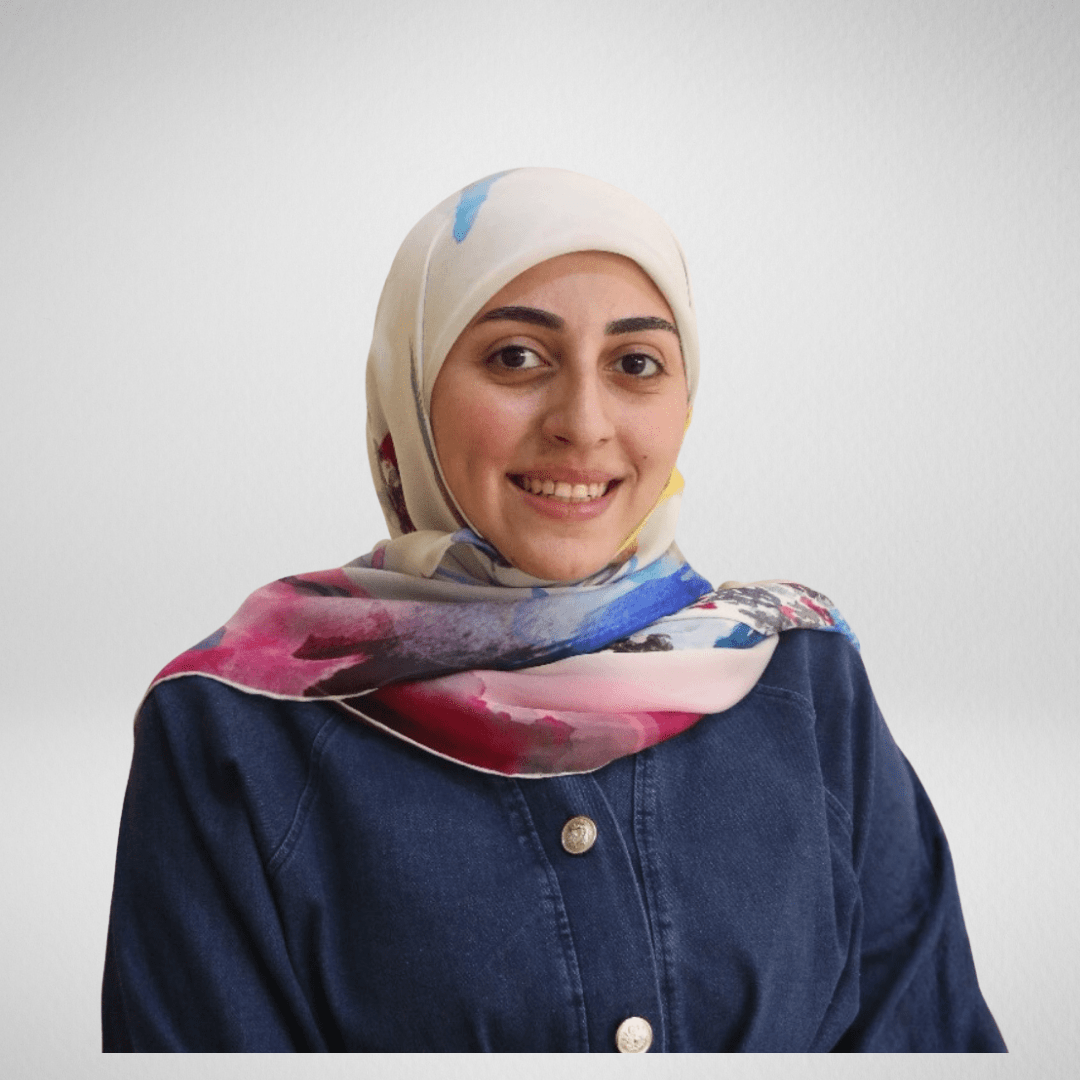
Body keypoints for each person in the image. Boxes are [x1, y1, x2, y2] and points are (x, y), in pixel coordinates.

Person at [102, 168, 1005, 1052]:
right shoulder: (233, 730)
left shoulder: (802, 679)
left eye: (636, 364)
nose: (583, 421)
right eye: (516, 357)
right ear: (411, 387)